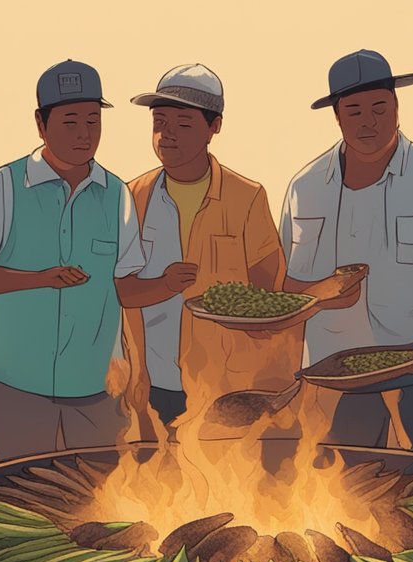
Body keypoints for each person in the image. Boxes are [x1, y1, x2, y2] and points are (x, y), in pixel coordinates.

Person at [0, 60, 194, 461]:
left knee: (100, 506)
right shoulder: (1, 188)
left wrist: (166, 283)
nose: (85, 135)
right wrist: (38, 279)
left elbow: (123, 289)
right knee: (27, 501)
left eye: (93, 122)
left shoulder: (116, 195)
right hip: (16, 387)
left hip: (97, 392)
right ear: (41, 124)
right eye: (71, 122)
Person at [280, 50, 413, 456]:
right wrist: (322, 293)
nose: (368, 121)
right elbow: (286, 288)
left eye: (379, 107)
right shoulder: (305, 187)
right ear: (337, 116)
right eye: (353, 111)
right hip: (336, 377)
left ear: (397, 107)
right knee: (343, 492)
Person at [121, 64, 290, 436]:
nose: (167, 135)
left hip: (224, 386)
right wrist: (136, 369)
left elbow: (267, 290)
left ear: (214, 127)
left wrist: (261, 329)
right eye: (159, 122)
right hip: (153, 380)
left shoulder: (246, 197)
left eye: (183, 125)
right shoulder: (132, 198)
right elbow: (122, 290)